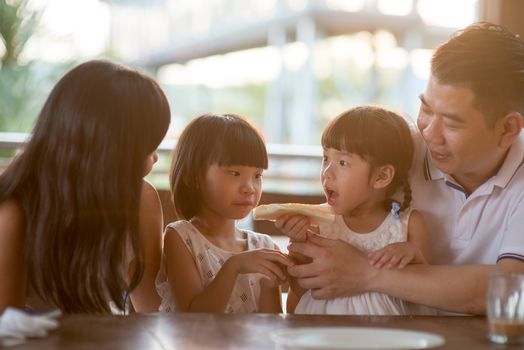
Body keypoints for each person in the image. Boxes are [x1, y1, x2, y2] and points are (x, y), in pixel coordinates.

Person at [280, 21, 524, 315]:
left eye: (451, 122)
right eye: (427, 109)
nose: (430, 133)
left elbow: (513, 287)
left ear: (508, 128)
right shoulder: (397, 150)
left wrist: (367, 273)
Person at [0, 60, 171, 314]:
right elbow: (8, 327)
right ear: (109, 149)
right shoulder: (15, 212)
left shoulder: (143, 199)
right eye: (148, 146)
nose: (155, 158)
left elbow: (152, 306)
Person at [279, 106, 432, 315]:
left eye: (342, 162)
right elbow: (299, 292)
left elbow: (425, 298)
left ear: (381, 176)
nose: (327, 173)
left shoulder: (408, 225)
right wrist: (298, 246)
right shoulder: (316, 224)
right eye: (325, 158)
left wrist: (412, 257)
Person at [155, 113, 292, 313]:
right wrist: (234, 266)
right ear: (193, 177)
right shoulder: (181, 238)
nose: (249, 188)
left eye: (257, 176)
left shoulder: (263, 246)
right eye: (235, 173)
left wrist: (270, 285)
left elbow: (269, 326)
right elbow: (193, 318)